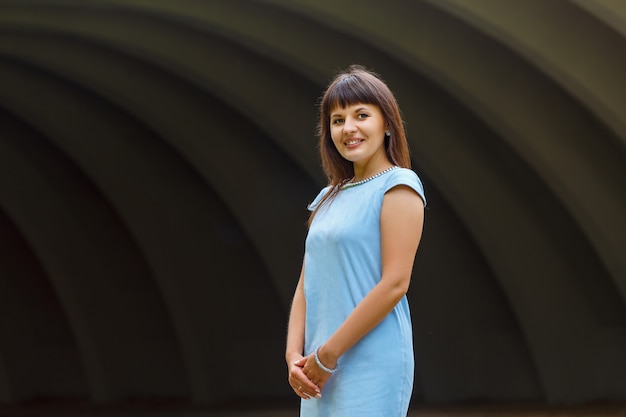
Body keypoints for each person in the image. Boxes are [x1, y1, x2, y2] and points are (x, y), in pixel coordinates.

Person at [285, 64, 426, 416]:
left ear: (387, 123)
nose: (348, 128)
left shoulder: (399, 186)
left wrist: (328, 356)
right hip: (317, 367)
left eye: (361, 115)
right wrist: (294, 357)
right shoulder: (325, 199)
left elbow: (395, 283)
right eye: (337, 119)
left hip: (370, 361)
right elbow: (306, 283)